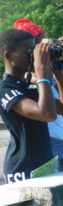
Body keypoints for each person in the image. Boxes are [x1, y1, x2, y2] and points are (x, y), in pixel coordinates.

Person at [14, 19, 63, 172]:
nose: (48, 46)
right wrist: (45, 66)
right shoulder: (29, 77)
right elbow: (62, 109)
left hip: (61, 142)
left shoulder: (46, 73)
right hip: (47, 143)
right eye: (43, 43)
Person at [0, 29, 56, 183]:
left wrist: (62, 67)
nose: (32, 56)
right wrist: (42, 72)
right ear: (8, 56)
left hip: (44, 165)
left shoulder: (29, 84)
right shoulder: (5, 89)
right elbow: (47, 114)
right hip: (22, 170)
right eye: (28, 52)